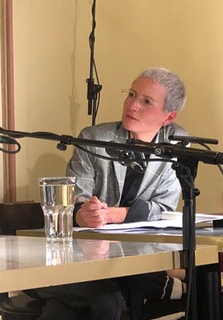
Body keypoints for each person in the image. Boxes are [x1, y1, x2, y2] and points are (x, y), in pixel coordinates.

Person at [26, 67, 189, 320]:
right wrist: (84, 214)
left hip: (136, 258)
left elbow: (164, 210)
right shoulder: (94, 138)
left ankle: (166, 284)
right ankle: (169, 286)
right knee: (107, 301)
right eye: (131, 94)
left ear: (168, 117)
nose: (132, 105)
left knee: (80, 307)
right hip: (85, 257)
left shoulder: (177, 145)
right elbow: (75, 202)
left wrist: (115, 215)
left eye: (146, 101)